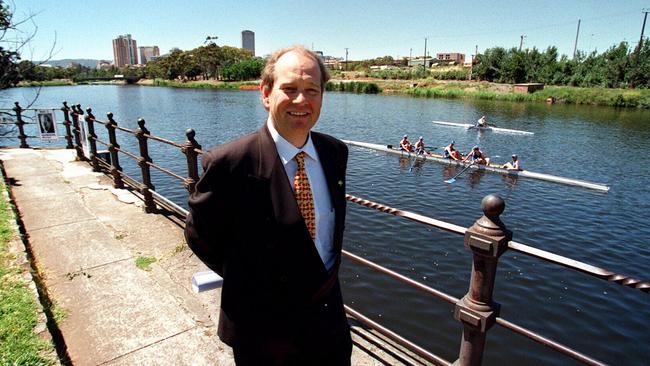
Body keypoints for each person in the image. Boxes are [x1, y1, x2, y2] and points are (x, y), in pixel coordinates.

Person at [185, 46, 352, 365]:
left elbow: (328, 240)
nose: (302, 101)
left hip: (328, 324)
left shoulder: (335, 153)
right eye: (289, 89)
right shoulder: (230, 163)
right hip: (263, 331)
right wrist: (254, 276)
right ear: (266, 93)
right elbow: (200, 237)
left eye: (312, 90)